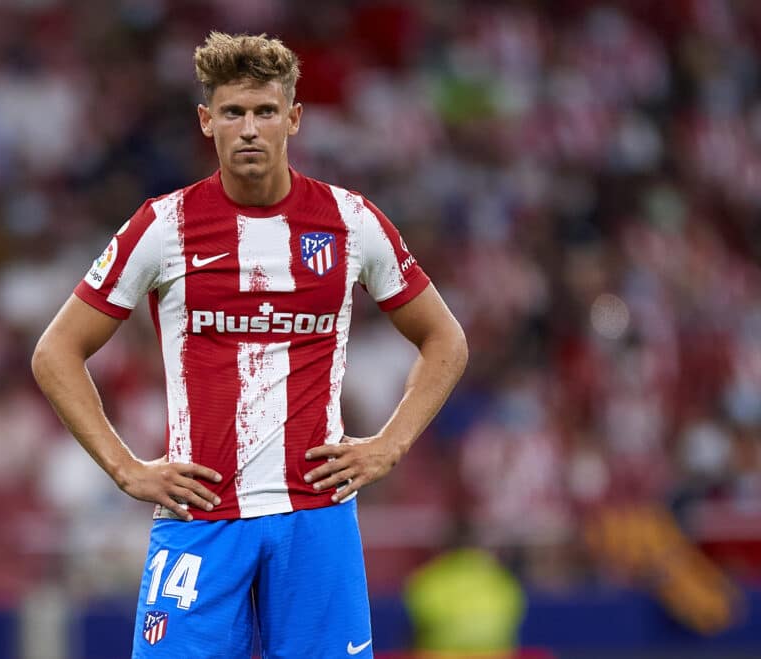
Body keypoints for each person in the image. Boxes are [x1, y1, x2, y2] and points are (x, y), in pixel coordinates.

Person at [31, 31, 468, 659]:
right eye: (233, 112)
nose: (250, 129)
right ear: (206, 121)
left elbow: (445, 339)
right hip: (202, 515)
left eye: (266, 111)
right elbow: (55, 353)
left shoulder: (350, 221)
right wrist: (126, 469)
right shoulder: (163, 226)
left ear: (294, 117)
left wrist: (389, 446)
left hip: (315, 515)